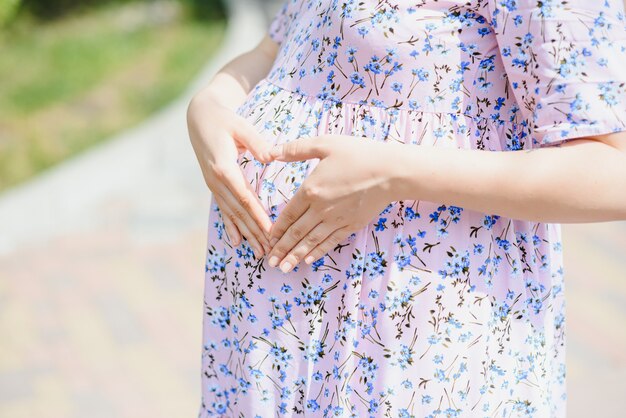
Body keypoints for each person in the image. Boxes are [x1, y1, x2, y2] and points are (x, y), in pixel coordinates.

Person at [186, 0, 626, 416]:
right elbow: (277, 49)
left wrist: (393, 172)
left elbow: (614, 172)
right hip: (266, 338)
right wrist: (210, 102)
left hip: (408, 338)